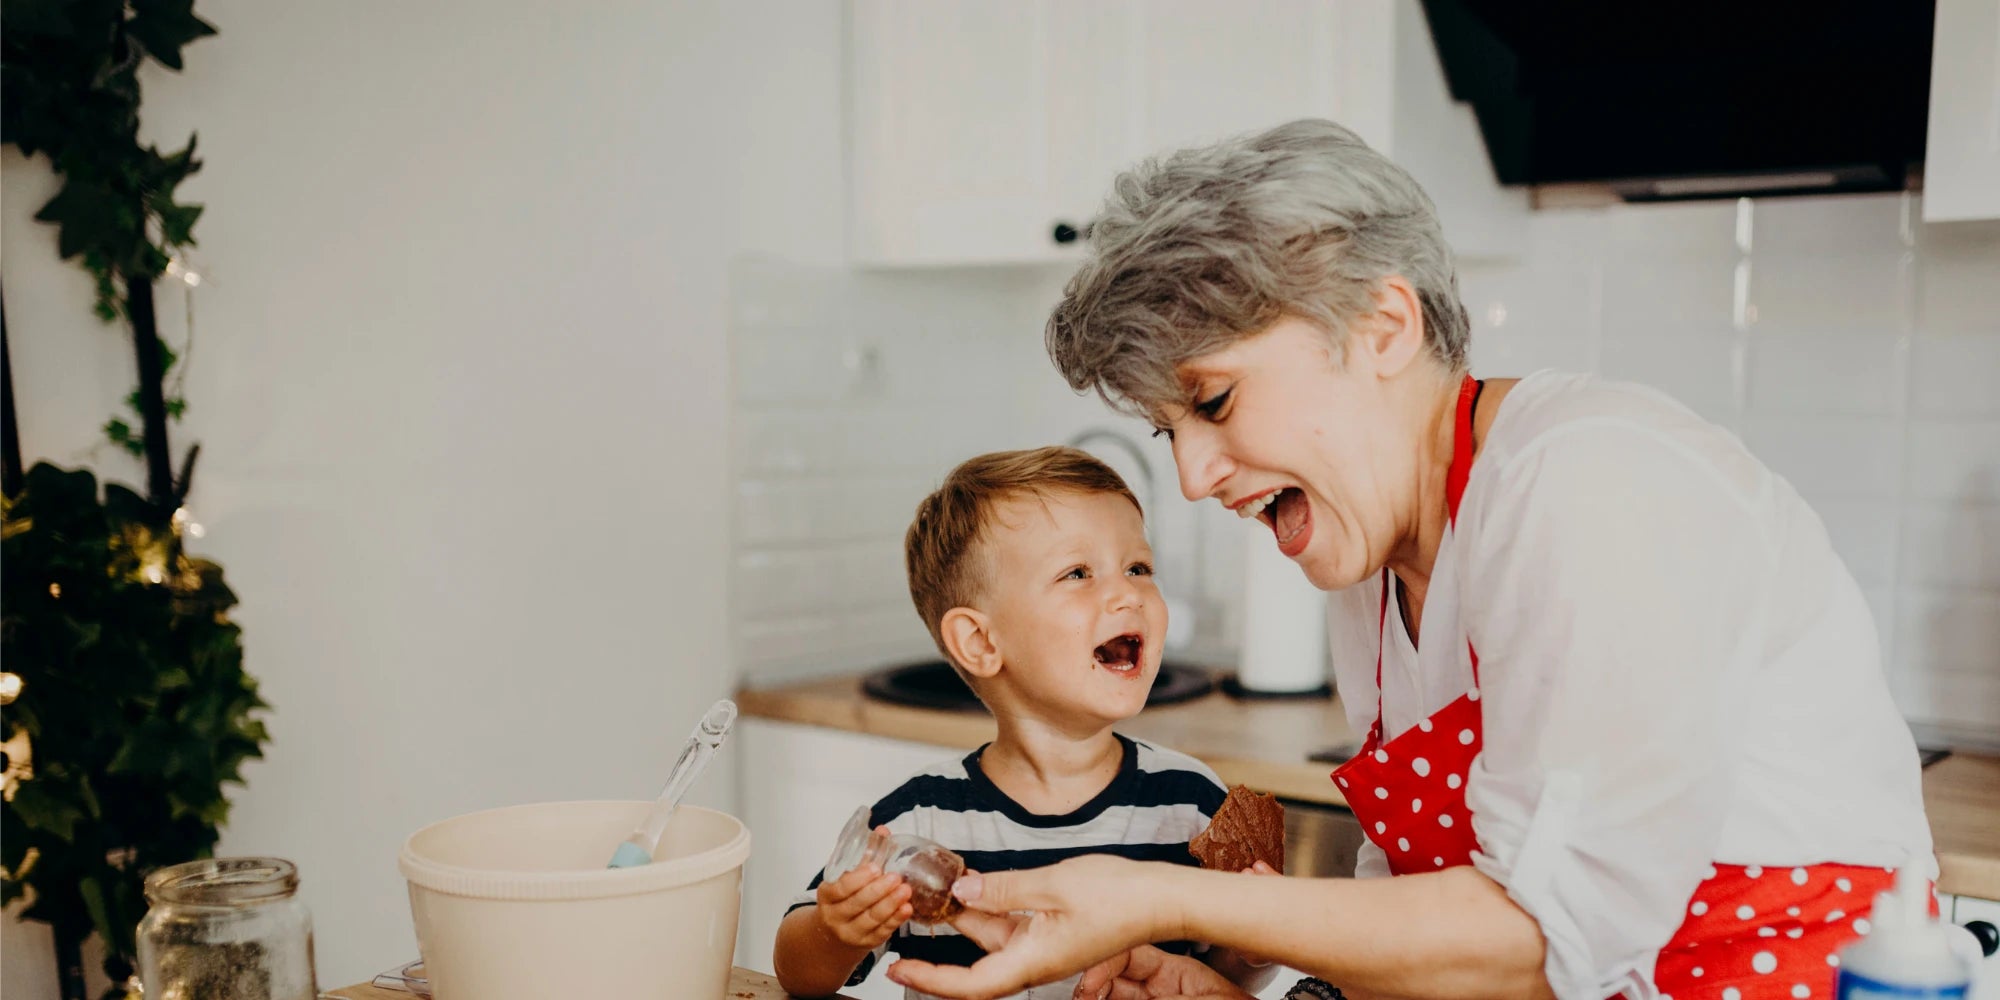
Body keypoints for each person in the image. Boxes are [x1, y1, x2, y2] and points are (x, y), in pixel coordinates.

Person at [883, 120, 1935, 1000]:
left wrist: (1163, 895)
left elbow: (1538, 940)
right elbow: (1417, 923)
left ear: (1382, 324)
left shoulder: (1585, 483)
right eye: (1169, 432)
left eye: (1212, 401)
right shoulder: (1374, 564)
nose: (1195, 478)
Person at [773, 447, 1275, 999]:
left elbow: (1219, 983)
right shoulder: (922, 822)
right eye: (1078, 573)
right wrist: (837, 931)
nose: (1127, 592)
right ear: (981, 642)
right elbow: (799, 973)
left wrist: (1254, 943)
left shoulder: (1191, 804)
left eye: (1138, 567)